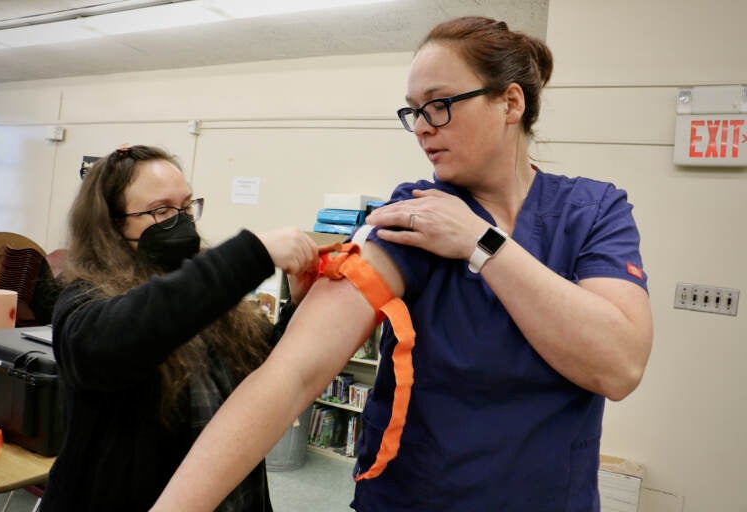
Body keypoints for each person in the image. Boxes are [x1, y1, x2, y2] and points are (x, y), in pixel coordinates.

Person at [151, 16, 653, 512]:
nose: (420, 128)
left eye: (439, 105)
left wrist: (482, 243)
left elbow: (619, 367)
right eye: (412, 110)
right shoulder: (410, 217)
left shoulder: (594, 210)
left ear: (511, 102)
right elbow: (292, 375)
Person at [39, 145, 319, 512]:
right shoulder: (83, 299)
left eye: (186, 207)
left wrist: (298, 307)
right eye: (161, 210)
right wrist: (253, 254)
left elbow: (259, 371)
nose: (182, 220)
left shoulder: (200, 291)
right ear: (112, 224)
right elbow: (121, 337)